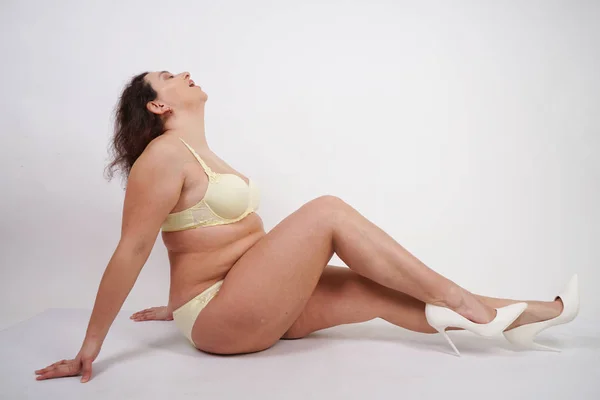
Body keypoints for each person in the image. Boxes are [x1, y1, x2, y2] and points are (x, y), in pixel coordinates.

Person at [34, 71, 579, 383]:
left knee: (381, 292)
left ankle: (529, 315)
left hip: (249, 296)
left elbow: (198, 240)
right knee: (327, 211)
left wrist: (171, 301)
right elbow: (132, 248)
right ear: (157, 103)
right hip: (219, 315)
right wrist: (92, 345)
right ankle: (465, 302)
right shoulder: (162, 156)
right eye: (168, 77)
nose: (182, 74)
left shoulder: (202, 153)